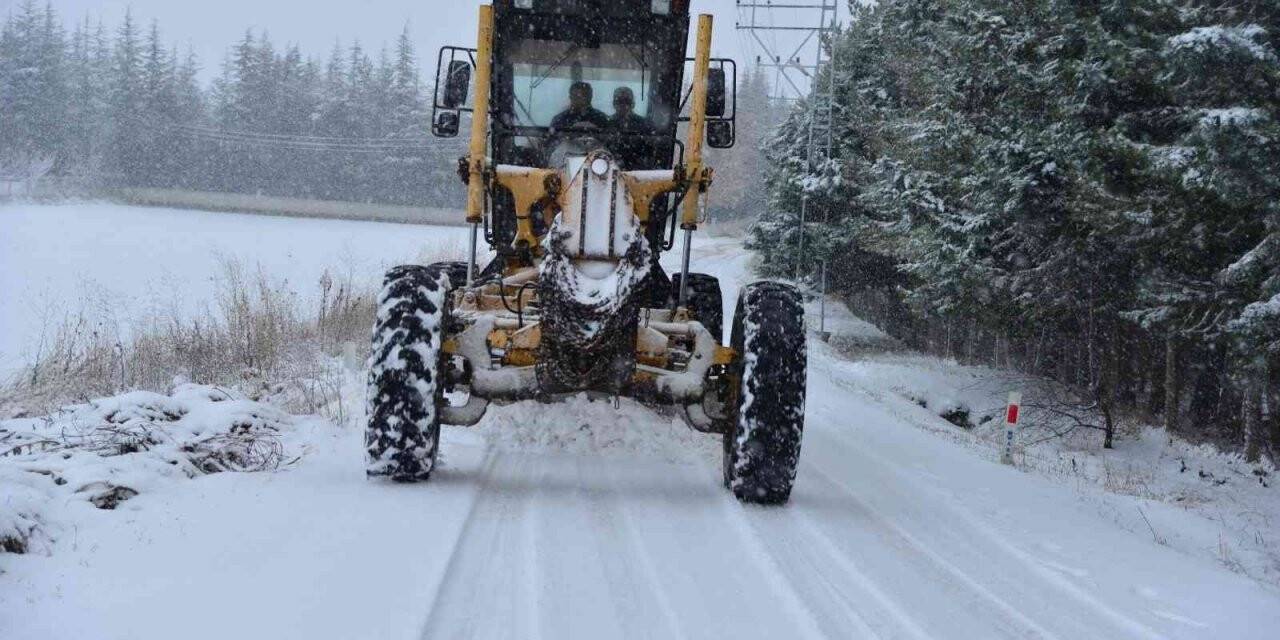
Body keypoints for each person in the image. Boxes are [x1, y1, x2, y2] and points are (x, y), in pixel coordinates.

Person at [609, 86, 655, 168]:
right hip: (609, 167)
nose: (623, 105)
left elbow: (649, 151)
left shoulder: (644, 124)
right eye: (619, 101)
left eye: (627, 101)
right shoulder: (606, 123)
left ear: (632, 104)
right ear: (614, 104)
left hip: (637, 169)